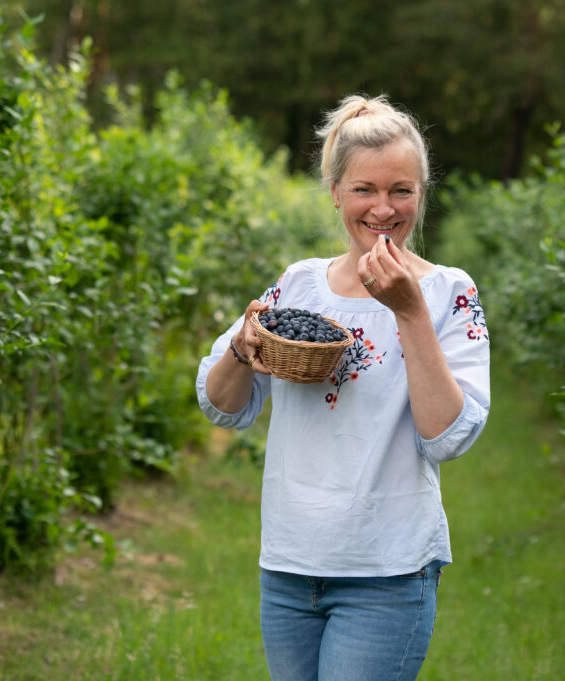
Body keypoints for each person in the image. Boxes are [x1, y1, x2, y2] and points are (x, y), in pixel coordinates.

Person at [195, 93, 490, 681]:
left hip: (387, 571)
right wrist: (240, 350)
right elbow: (221, 405)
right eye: (364, 189)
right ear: (335, 192)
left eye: (401, 190)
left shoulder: (448, 294)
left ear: (421, 194)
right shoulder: (298, 286)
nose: (383, 208)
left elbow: (447, 436)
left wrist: (408, 311)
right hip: (288, 564)